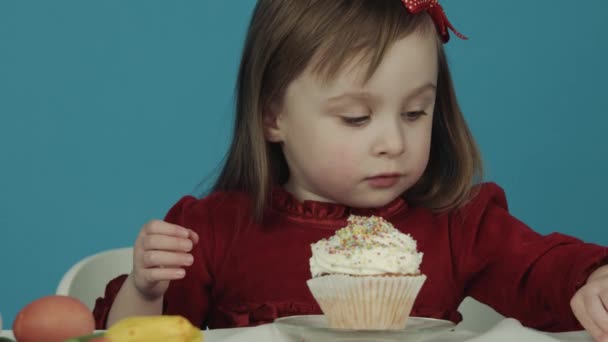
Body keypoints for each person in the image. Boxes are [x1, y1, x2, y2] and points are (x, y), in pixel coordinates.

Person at [93, 0, 608, 340]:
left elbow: (544, 269)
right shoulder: (211, 232)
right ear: (273, 117)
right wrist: (145, 288)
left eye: (414, 112)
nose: (392, 142)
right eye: (357, 118)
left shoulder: (460, 225)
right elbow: (136, 336)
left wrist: (594, 280)